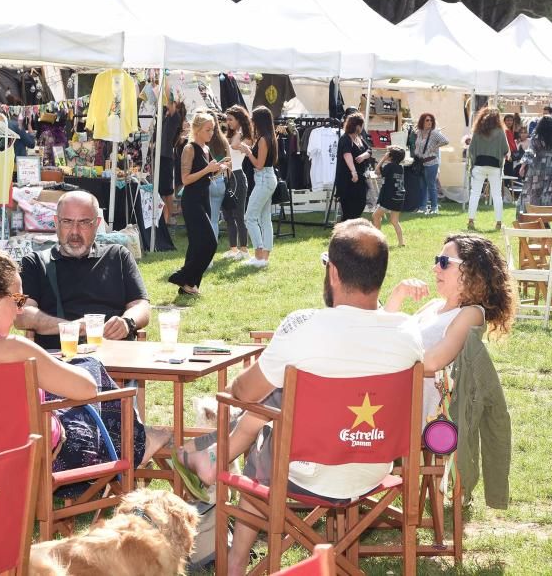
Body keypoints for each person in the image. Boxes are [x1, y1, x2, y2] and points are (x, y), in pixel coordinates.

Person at [172, 219, 423, 575]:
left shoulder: (304, 327)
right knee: (277, 405)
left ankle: (236, 561)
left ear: (332, 272)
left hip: (304, 475)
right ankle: (213, 458)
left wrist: (235, 399)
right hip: (372, 469)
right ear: (380, 275)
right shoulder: (408, 335)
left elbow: (243, 392)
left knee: (267, 428)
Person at [0, 235, 170, 489]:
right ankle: (141, 444)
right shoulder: (14, 350)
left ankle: (142, 441)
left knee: (85, 366)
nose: (20, 310)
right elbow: (86, 389)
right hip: (47, 460)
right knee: (94, 373)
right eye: (18, 300)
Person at [382, 234, 514, 429]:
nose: (435, 268)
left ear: (471, 271)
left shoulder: (471, 314)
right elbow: (386, 335)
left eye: (444, 262)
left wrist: (385, 356)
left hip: (418, 412)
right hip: (393, 395)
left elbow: (434, 361)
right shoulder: (433, 306)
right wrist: (398, 294)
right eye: (437, 261)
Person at [16, 191, 150, 350]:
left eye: (84, 222)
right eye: (67, 221)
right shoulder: (34, 263)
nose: (75, 232)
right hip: (60, 362)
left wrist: (127, 322)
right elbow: (20, 314)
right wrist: (74, 327)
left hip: (115, 359)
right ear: (56, 222)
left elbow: (142, 305)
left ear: (97, 223)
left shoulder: (118, 256)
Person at [169, 111, 225, 295]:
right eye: (208, 130)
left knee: (196, 245)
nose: (211, 133)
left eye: (213, 130)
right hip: (192, 200)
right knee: (209, 242)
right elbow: (185, 179)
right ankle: (183, 276)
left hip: (204, 198)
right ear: (197, 130)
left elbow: (206, 176)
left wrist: (218, 169)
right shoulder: (189, 148)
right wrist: (208, 169)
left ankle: (189, 286)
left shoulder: (206, 149)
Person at [241, 106, 278, 268]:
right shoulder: (269, 136)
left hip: (264, 178)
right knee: (264, 218)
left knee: (250, 217)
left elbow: (259, 164)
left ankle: (259, 254)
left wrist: (248, 151)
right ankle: (264, 257)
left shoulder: (264, 139)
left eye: (253, 120)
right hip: (266, 179)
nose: (251, 122)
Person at [466, 107, 509, 232]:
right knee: (497, 195)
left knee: (474, 193)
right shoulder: (500, 131)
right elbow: (505, 150)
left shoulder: (477, 131)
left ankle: (471, 220)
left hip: (479, 164)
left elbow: (471, 149)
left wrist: (473, 162)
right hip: (495, 166)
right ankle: (499, 222)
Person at [517, 115, 552, 212]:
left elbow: (530, 151)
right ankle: (545, 218)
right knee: (548, 194)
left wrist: (523, 166)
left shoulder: (536, 136)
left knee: (534, 193)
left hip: (537, 168)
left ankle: (531, 215)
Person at [221, 106, 251, 260]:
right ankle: (233, 249)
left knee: (239, 214)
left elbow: (234, 147)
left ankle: (244, 249)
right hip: (226, 177)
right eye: (227, 119)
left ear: (239, 119)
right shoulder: (231, 135)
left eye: (231, 119)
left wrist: (238, 131)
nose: (228, 123)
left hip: (238, 176)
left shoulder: (245, 136)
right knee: (228, 214)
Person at [334, 112, 372, 221]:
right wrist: (353, 172)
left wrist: (364, 156)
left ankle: (350, 230)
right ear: (357, 126)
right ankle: (344, 233)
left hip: (359, 179)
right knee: (349, 210)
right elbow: (347, 155)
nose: (362, 128)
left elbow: (369, 150)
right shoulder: (345, 139)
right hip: (348, 179)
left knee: (360, 204)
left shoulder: (359, 138)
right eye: (361, 125)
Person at [413, 112, 450, 214]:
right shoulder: (419, 132)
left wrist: (435, 147)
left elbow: (446, 141)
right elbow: (417, 145)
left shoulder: (434, 133)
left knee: (431, 185)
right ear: (422, 122)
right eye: (427, 120)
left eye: (431, 120)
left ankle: (434, 208)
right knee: (422, 185)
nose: (429, 122)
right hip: (421, 162)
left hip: (431, 162)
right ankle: (422, 207)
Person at [372, 145, 406, 246]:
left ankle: (378, 240)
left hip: (389, 197)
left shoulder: (389, 166)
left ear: (390, 156)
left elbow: (376, 171)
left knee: (375, 216)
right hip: (399, 196)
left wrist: (383, 158)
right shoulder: (401, 168)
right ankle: (401, 243)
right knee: (395, 221)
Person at [159, 94, 185, 225]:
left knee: (167, 190)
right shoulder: (167, 118)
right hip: (161, 156)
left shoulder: (175, 118)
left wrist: (166, 89)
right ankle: (166, 217)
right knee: (162, 190)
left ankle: (171, 217)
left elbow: (169, 102)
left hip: (166, 157)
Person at [207, 113, 231, 241]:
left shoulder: (204, 140)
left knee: (207, 220)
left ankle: (207, 254)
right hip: (220, 181)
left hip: (207, 181)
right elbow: (230, 162)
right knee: (214, 220)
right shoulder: (223, 140)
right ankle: (211, 249)